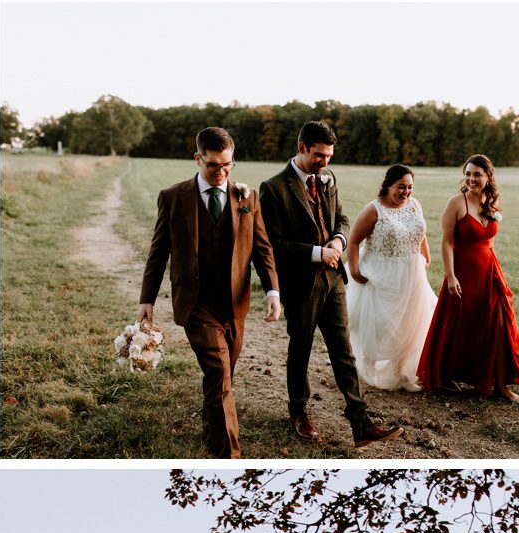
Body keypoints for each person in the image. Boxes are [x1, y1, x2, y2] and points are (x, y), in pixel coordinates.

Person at [138, 127, 281, 460]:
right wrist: (146, 299)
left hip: (234, 303)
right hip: (196, 303)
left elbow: (262, 248)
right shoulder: (173, 197)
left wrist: (272, 290)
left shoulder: (247, 197)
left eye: (227, 165)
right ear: (197, 158)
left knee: (223, 374)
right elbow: (158, 252)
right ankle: (228, 455)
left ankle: (210, 428)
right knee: (219, 371)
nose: (221, 173)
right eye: (213, 165)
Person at [258, 121, 402, 447]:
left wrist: (338, 240)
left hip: (334, 280)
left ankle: (360, 422)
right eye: (319, 155)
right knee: (301, 350)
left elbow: (342, 218)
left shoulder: (328, 178)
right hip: (301, 284)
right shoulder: (274, 188)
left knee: (343, 351)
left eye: (329, 156)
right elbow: (272, 243)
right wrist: (315, 253)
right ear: (302, 148)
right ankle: (298, 413)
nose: (325, 162)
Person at [416, 155, 519, 402]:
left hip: (489, 271)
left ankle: (500, 385)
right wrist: (451, 276)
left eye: (477, 174)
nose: (471, 179)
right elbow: (446, 242)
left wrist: (493, 268)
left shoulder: (491, 202)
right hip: (463, 272)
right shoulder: (456, 203)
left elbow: (489, 241)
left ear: (488, 177)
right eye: (468, 174)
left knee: (499, 325)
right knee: (460, 324)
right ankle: (446, 375)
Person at [345, 164, 435, 391]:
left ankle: (401, 372)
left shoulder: (415, 205)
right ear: (388, 185)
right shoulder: (374, 210)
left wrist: (426, 256)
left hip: (411, 273)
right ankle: (368, 366)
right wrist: (355, 271)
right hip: (380, 274)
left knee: (409, 323)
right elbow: (354, 240)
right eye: (401, 187)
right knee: (381, 323)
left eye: (410, 187)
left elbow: (419, 231)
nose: (406, 192)